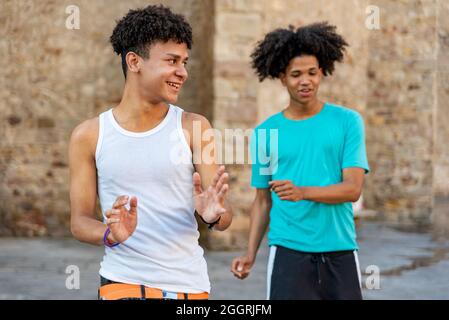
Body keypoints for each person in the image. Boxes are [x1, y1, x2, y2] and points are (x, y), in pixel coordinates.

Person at [69, 4, 233, 300]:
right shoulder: (89, 135)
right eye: (172, 60)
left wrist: (211, 215)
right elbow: (79, 222)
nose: (182, 72)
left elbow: (223, 216)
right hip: (122, 283)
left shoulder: (194, 127)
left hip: (189, 286)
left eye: (184, 62)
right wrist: (111, 234)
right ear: (134, 61)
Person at [231, 22, 369, 300]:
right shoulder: (266, 134)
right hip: (288, 252)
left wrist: (302, 192)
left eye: (312, 73)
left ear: (322, 73)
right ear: (282, 77)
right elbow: (262, 201)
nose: (305, 81)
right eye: (296, 74)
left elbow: (353, 189)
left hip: (339, 249)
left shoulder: (347, 122)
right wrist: (250, 253)